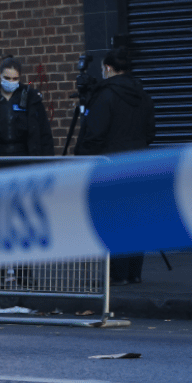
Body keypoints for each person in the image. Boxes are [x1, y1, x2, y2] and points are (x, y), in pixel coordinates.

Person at [76, 48, 157, 285]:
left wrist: (83, 157)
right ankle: (134, 273)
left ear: (108, 68)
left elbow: (95, 134)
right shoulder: (143, 95)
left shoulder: (105, 96)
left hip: (111, 165)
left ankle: (118, 274)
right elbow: (151, 132)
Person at [0, 57, 54, 159]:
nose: (11, 82)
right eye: (7, 78)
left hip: (24, 160)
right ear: (0, 76)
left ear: (19, 78)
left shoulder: (31, 100)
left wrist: (48, 167)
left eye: (15, 79)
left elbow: (45, 135)